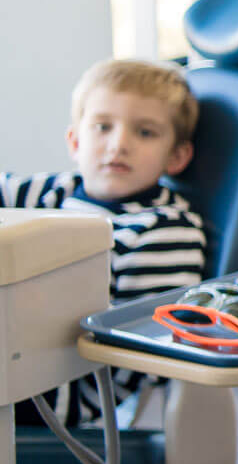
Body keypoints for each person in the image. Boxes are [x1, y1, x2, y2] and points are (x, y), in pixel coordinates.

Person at [1, 57, 206, 301]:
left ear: (175, 156)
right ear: (76, 142)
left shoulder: (166, 232)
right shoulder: (53, 190)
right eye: (103, 127)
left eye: (145, 132)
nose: (118, 145)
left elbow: (143, 328)